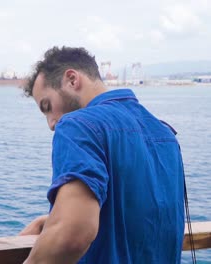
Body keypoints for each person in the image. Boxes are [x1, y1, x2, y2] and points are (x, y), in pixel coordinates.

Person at [19, 46, 184, 263]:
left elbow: (72, 234)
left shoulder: (78, 125)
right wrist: (53, 221)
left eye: (48, 106)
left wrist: (62, 227)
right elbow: (142, 218)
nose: (51, 123)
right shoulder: (165, 133)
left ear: (72, 79)